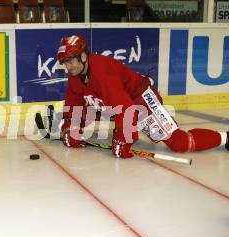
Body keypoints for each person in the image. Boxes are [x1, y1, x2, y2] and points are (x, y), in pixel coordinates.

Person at [57, 34, 228, 158]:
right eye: (65, 63)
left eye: (71, 62)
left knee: (179, 143)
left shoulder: (103, 73)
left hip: (141, 100)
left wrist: (124, 140)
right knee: (95, 109)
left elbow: (127, 109)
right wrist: (71, 129)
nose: (68, 67)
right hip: (123, 103)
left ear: (84, 56)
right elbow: (74, 105)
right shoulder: (75, 76)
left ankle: (225, 137)